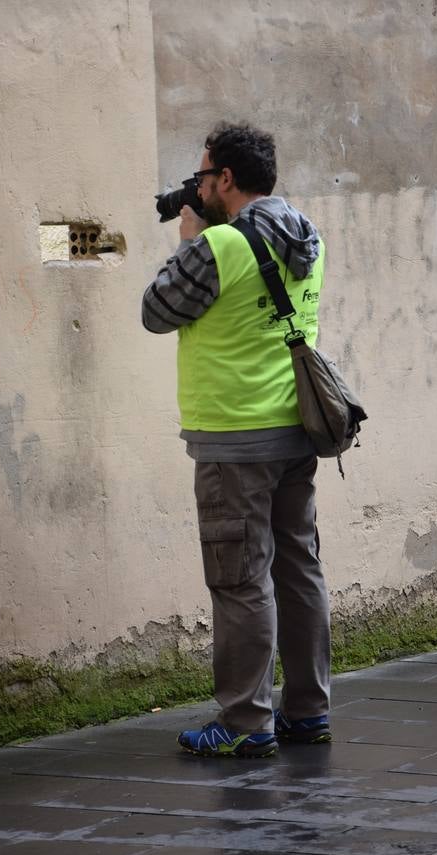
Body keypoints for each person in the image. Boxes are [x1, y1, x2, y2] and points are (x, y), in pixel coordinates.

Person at [142, 121, 331, 758]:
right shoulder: (307, 235)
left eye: (203, 175)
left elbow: (155, 311)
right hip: (296, 430)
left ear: (225, 179)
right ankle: (308, 712)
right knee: (298, 567)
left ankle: (246, 723)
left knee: (241, 579)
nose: (197, 185)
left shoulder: (220, 245)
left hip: (234, 439)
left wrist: (187, 242)